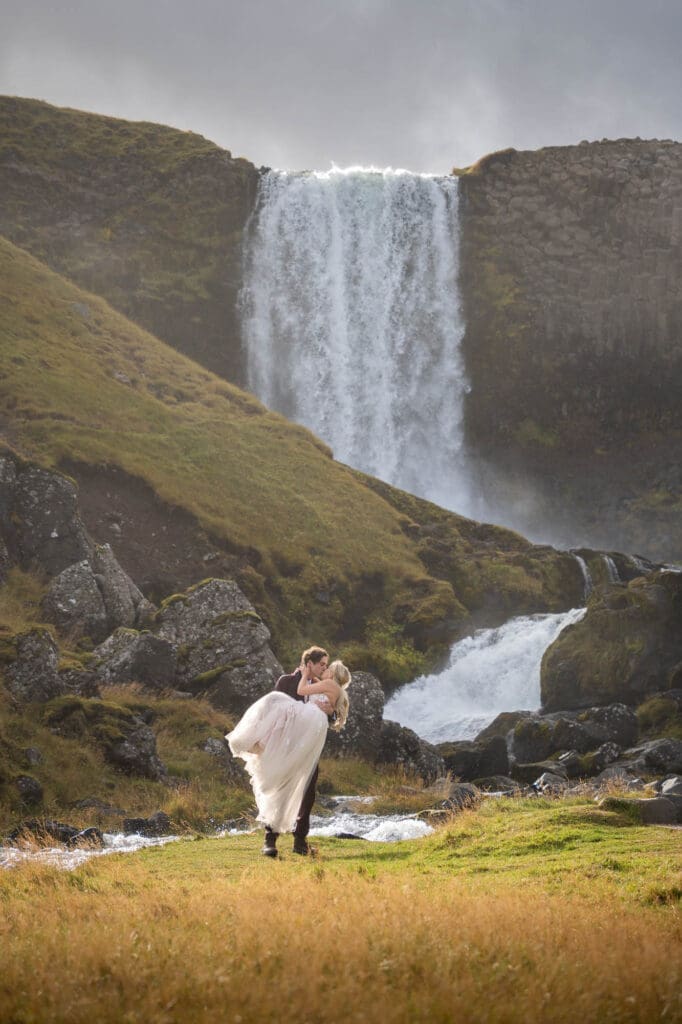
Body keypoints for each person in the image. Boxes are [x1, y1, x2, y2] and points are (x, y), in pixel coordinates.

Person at [226, 648, 351, 858]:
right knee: (280, 790)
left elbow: (332, 710)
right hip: (285, 747)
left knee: (308, 794)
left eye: (326, 666)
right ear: (308, 663)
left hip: (307, 749)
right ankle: (270, 840)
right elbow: (274, 714)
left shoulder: (325, 685)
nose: (324, 668)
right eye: (321, 664)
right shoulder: (286, 681)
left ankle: (300, 841)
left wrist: (330, 712)